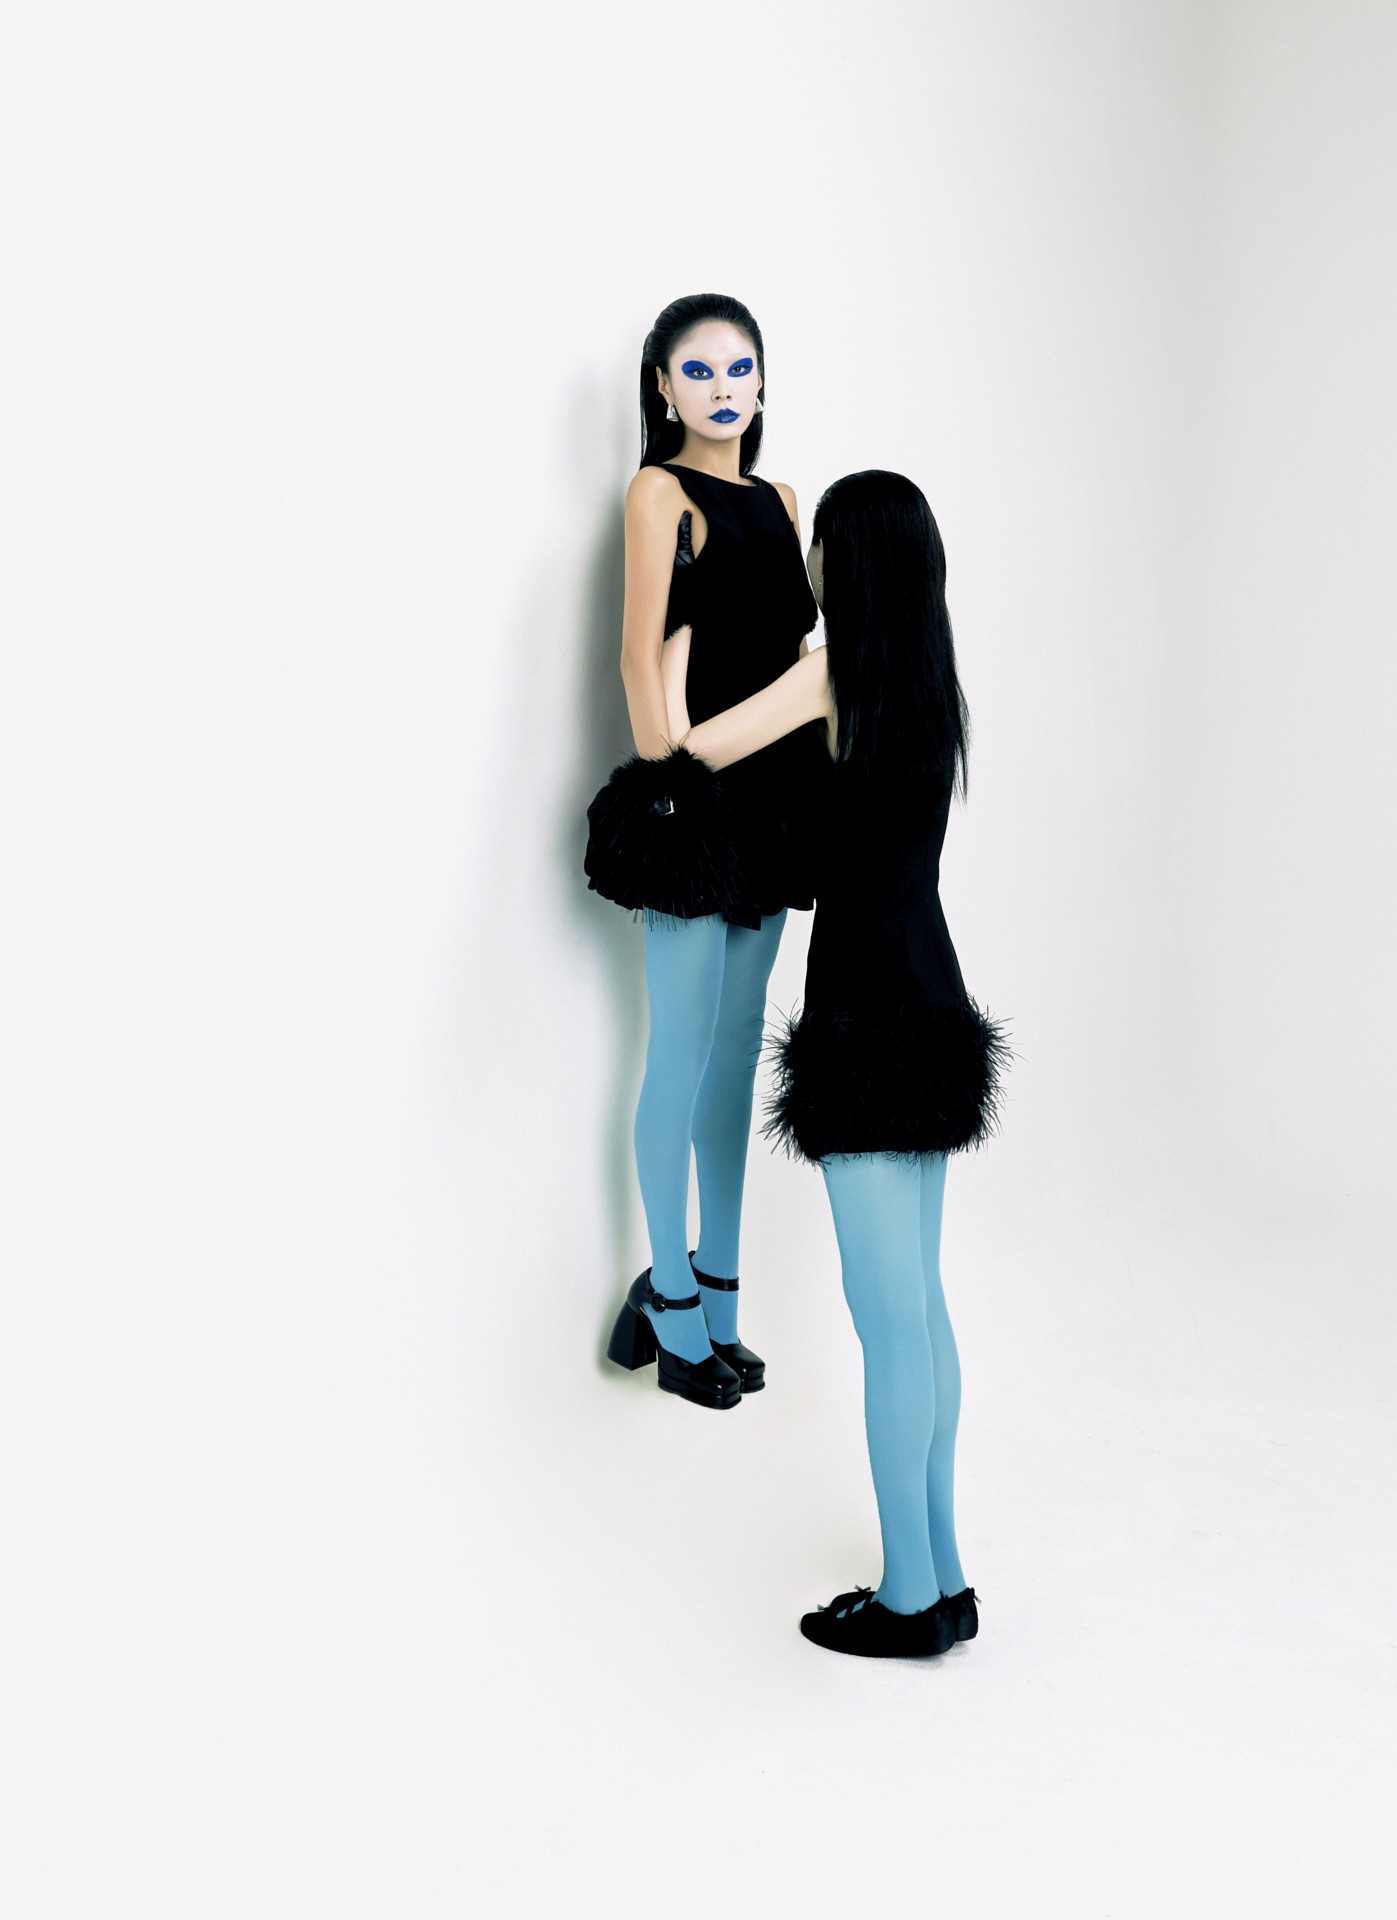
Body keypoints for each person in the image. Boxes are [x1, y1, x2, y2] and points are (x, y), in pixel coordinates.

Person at [657, 470, 1006, 1658]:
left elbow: (692, 748)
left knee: (886, 1317)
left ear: (842, 561)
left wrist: (681, 638)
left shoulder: (830, 674)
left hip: (864, 1010)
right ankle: (943, 1574)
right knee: (921, 1306)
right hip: (934, 993)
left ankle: (909, 1597)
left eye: (818, 544)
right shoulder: (929, 682)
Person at [585, 294, 825, 1412]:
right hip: (694, 801)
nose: (723, 388)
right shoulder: (658, 492)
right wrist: (669, 799)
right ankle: (670, 1298)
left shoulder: (783, 500)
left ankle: (719, 1294)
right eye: (699, 369)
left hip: (777, 802)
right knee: (677, 1051)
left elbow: (794, 657)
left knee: (734, 1055)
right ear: (662, 387)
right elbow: (639, 658)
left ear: (764, 383)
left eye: (740, 369)